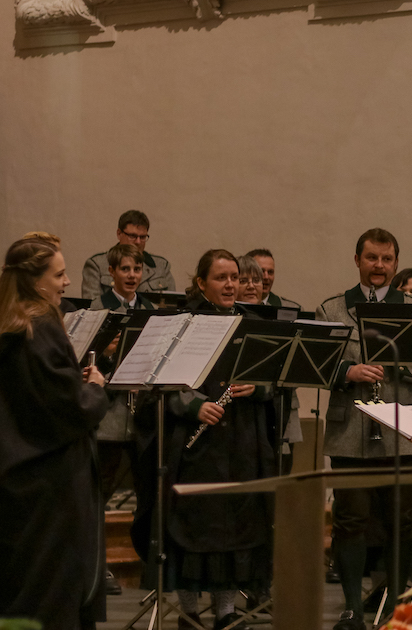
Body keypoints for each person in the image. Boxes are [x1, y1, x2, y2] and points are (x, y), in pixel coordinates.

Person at [132, 249, 274, 630]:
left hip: (241, 441)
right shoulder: (183, 324)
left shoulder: (253, 323)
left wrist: (259, 387)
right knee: (193, 527)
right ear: (201, 283)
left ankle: (226, 612)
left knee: (234, 528)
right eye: (221, 278)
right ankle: (190, 612)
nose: (231, 285)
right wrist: (193, 406)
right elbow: (160, 380)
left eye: (235, 278)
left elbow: (277, 382)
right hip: (194, 445)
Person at [316, 228, 412, 630]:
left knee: (404, 519)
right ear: (357, 260)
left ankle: (398, 604)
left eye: (386, 259)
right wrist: (349, 371)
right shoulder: (332, 309)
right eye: (372, 258)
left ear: (396, 263)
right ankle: (351, 607)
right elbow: (318, 364)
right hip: (351, 432)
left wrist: (406, 363)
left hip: (403, 429)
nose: (379, 266)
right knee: (350, 520)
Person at [0, 237, 110, 630]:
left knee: (23, 591)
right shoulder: (41, 324)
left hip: (17, 473)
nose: (66, 283)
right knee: (54, 594)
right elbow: (71, 408)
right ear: (34, 280)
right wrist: (95, 387)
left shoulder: (9, 324)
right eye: (59, 274)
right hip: (52, 484)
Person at [89, 242, 156, 595]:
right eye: (126, 269)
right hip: (111, 417)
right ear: (112, 272)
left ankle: (150, 567)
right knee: (100, 493)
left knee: (148, 494)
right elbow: (87, 365)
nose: (132, 276)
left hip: (141, 415)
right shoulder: (99, 309)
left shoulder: (150, 310)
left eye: (137, 270)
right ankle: (99, 568)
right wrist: (107, 354)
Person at [81, 210, 175, 300]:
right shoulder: (97, 265)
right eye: (132, 236)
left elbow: (171, 305)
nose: (138, 242)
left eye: (142, 237)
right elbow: (92, 307)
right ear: (119, 234)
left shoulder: (161, 266)